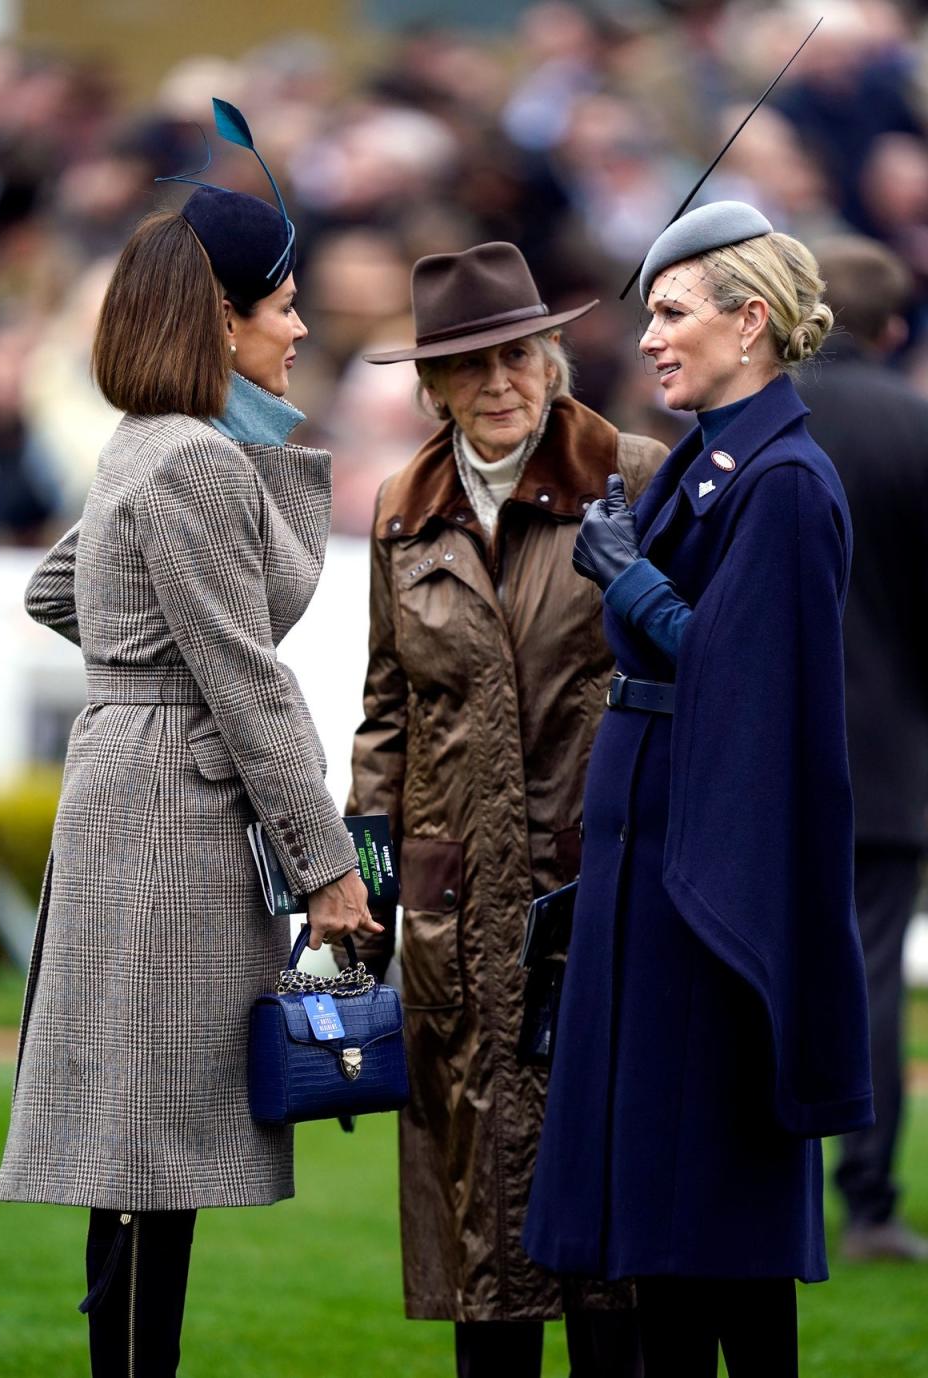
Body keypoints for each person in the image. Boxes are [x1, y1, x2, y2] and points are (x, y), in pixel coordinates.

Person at [0, 100, 382, 1377]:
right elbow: (249, 681)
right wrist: (329, 869)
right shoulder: (199, 464)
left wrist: (128, 667)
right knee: (154, 1150)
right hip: (171, 815)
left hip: (123, 790)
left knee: (131, 1154)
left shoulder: (141, 450)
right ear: (224, 318)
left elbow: (67, 591)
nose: (303, 326)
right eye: (282, 306)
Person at [524, 202, 873, 1378]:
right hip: (656, 873)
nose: (654, 337)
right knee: (665, 1222)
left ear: (752, 321)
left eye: (674, 312)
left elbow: (736, 680)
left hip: (705, 886)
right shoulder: (714, 463)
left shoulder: (784, 480)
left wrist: (626, 578)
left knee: (711, 1215)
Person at [351, 240, 667, 1378]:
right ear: (432, 387)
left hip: (594, 897)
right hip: (454, 912)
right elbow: (385, 715)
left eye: (518, 356)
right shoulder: (402, 504)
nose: (499, 384)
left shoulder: (630, 472)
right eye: (471, 366)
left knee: (608, 1240)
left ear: (554, 357)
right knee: (479, 1229)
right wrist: (368, 892)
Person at [797, 235, 928, 1262]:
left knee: (763, 968)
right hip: (886, 759)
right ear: (894, 327)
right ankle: (870, 1203)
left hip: (763, 753)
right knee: (869, 972)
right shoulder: (914, 426)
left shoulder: (750, 423)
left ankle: (768, 1185)